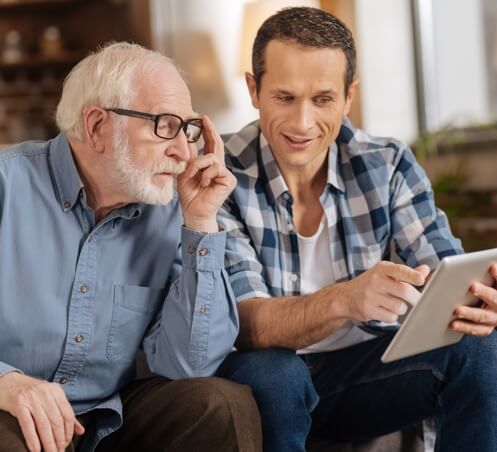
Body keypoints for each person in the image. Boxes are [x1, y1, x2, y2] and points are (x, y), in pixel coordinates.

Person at [216, 6, 497, 452]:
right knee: (276, 372)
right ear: (254, 89)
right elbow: (245, 323)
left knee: (481, 347)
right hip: (266, 376)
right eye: (285, 97)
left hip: (365, 372)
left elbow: (443, 270)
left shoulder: (386, 164)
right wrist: (345, 300)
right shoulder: (220, 173)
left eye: (323, 99)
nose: (303, 123)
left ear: (349, 96)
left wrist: (478, 298)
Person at [0, 42, 262, 452]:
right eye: (165, 125)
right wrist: (6, 383)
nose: (183, 151)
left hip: (109, 416)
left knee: (223, 405)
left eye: (188, 129)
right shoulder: (6, 183)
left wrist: (201, 224)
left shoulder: (172, 210)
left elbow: (189, 365)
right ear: (97, 126)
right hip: (9, 412)